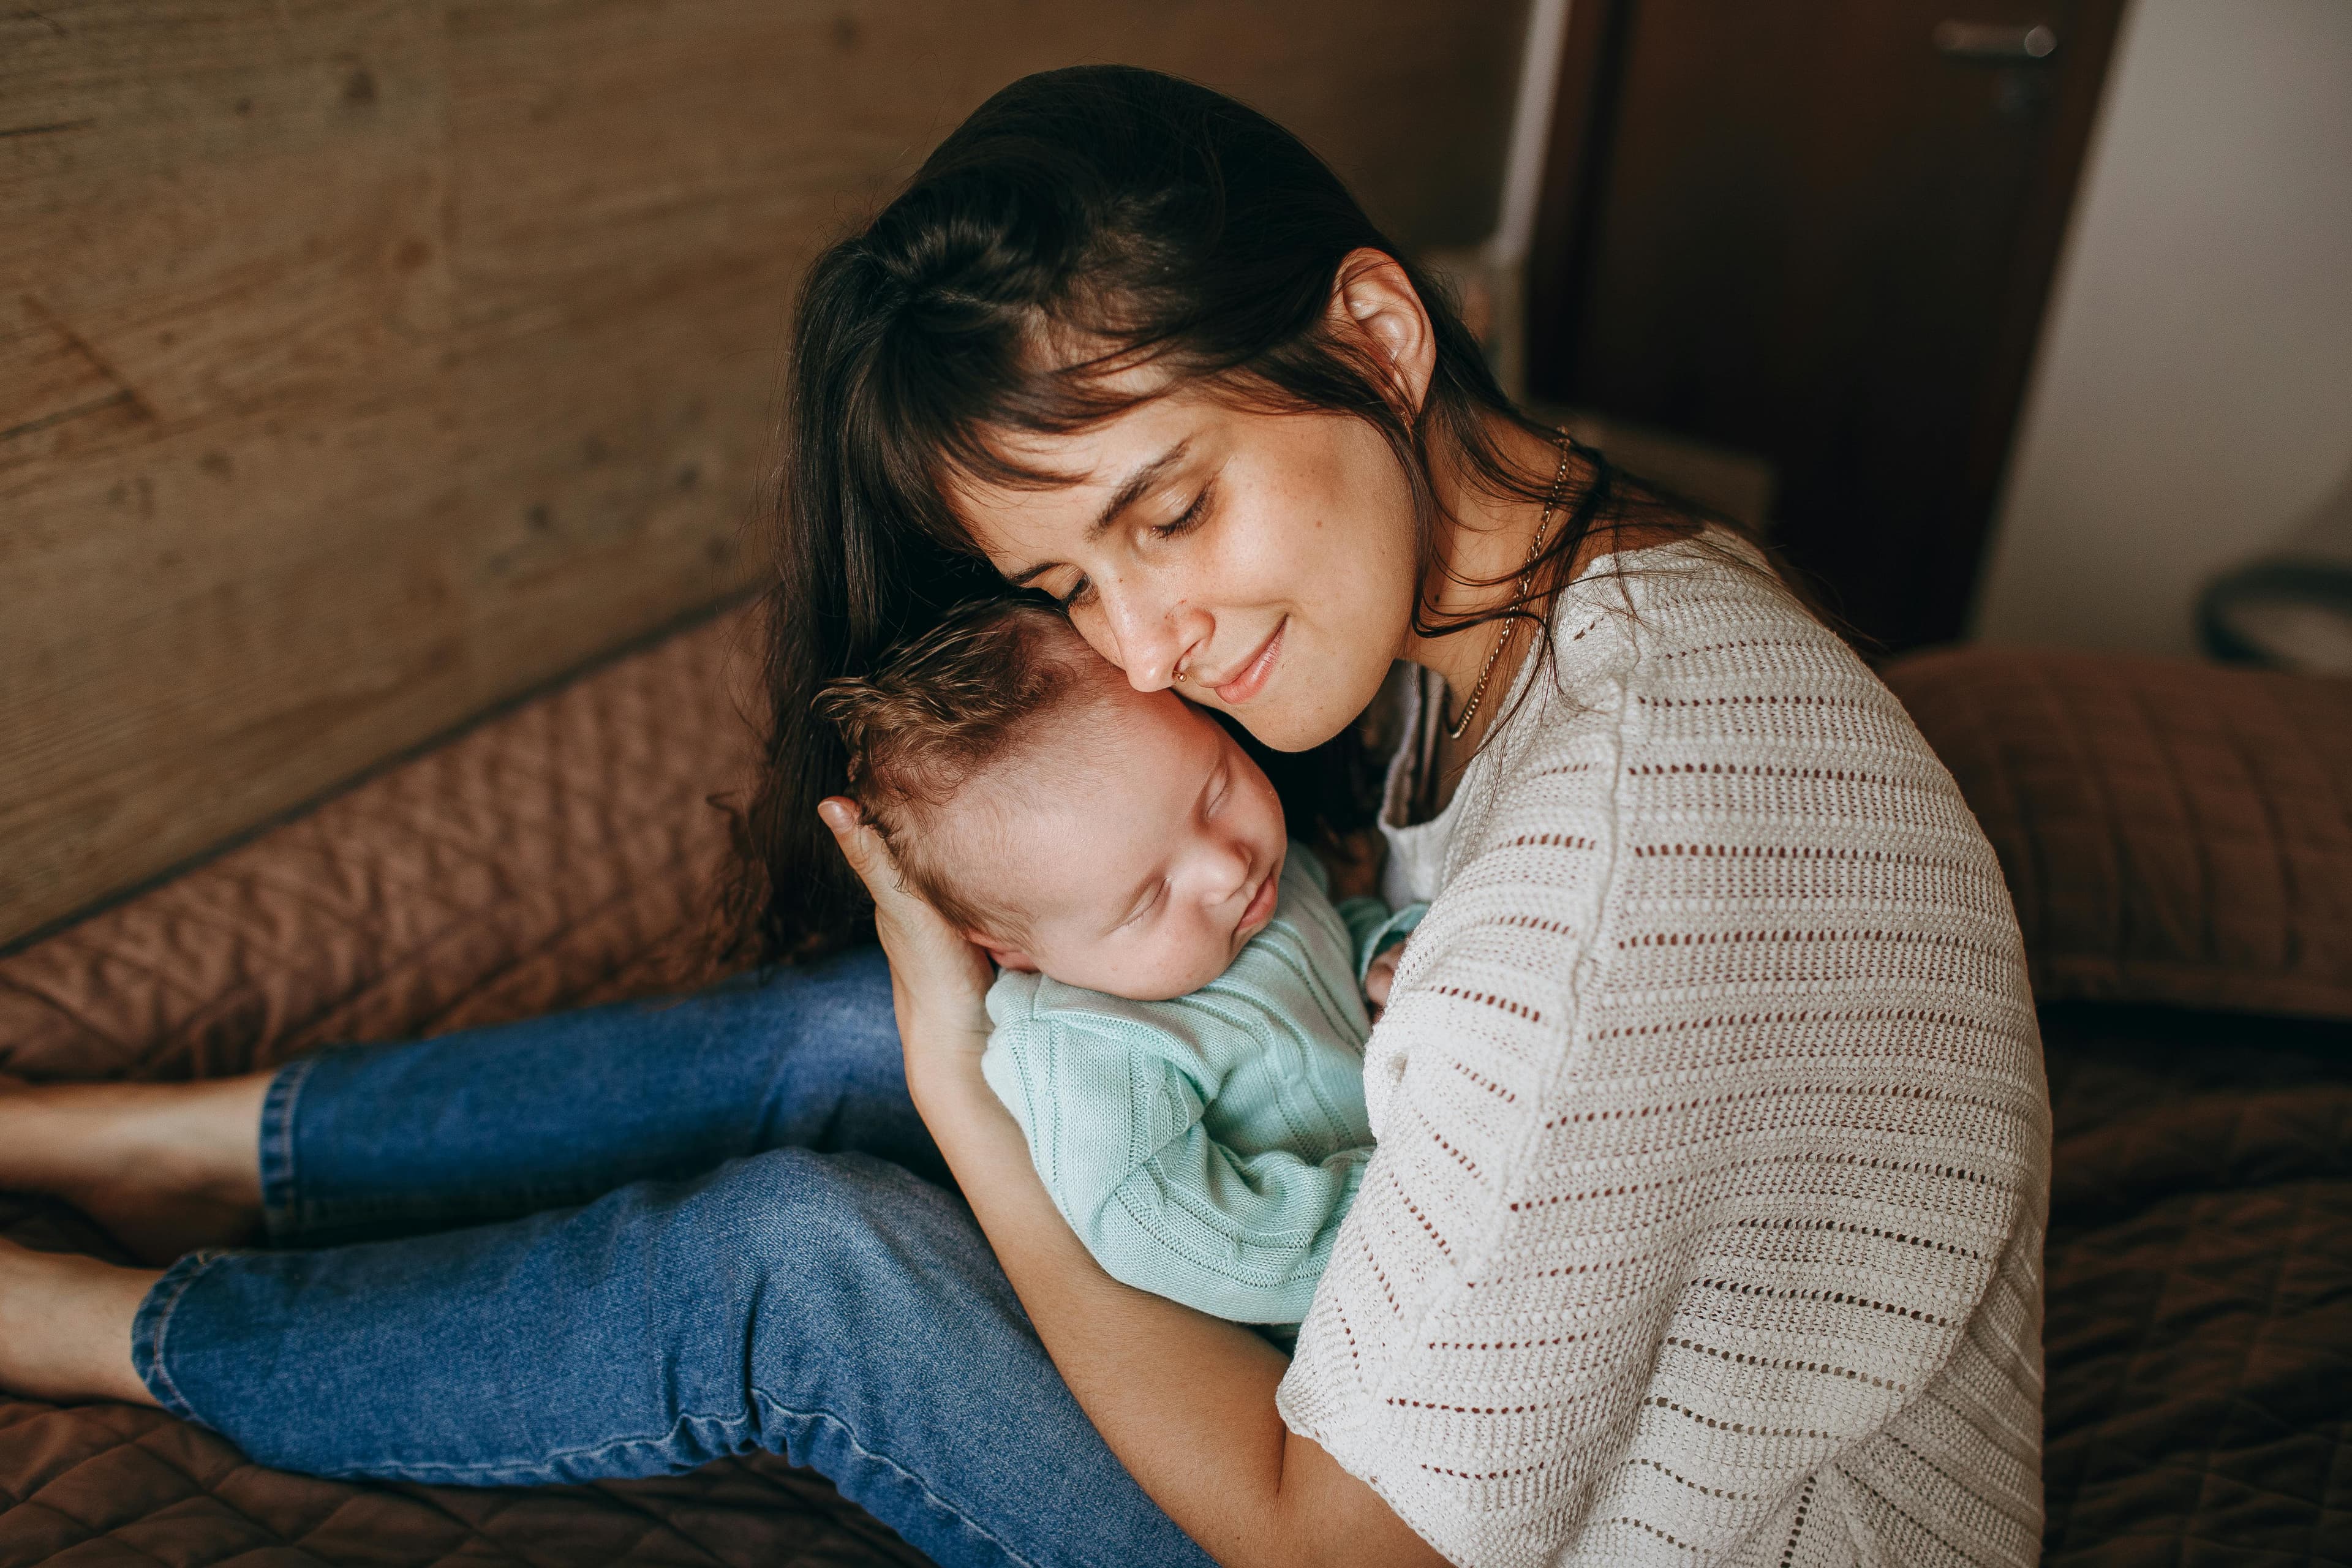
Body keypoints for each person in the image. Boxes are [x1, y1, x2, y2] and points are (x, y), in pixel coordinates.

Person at [0, 64, 2047, 1568]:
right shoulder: (1593, 563)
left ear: (1378, 330)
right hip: (1489, 1349)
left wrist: (971, 1108)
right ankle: (193, 1147)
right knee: (844, 1024)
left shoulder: (1603, 895)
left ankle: (121, 1334)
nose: (1146, 654)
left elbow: (1333, 1540)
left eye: (1170, 508)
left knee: (803, 1261)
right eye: (1069, 585)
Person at [815, 597, 1422, 1327]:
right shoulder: (1087, 1047)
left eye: (1217, 788)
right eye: (1148, 899)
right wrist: (1409, 1208)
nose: (1225, 866)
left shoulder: (1251, 886)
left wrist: (1383, 952)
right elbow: (1179, 1233)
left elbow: (1326, 932)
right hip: (1362, 1301)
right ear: (1013, 951)